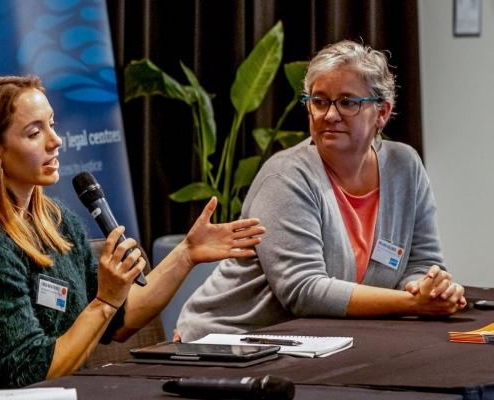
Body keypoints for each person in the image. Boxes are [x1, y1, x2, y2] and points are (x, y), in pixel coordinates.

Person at [0, 75, 265, 389]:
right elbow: (31, 373)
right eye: (34, 133)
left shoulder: (57, 224)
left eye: (52, 125)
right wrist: (104, 299)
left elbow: (120, 321)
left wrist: (186, 254)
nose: (56, 141)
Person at [176, 40, 466, 342]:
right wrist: (413, 303)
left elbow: (421, 263)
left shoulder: (404, 166)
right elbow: (304, 291)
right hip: (229, 342)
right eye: (320, 101)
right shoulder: (286, 177)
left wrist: (429, 288)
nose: (330, 115)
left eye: (347, 102)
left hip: (320, 343)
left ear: (382, 113)